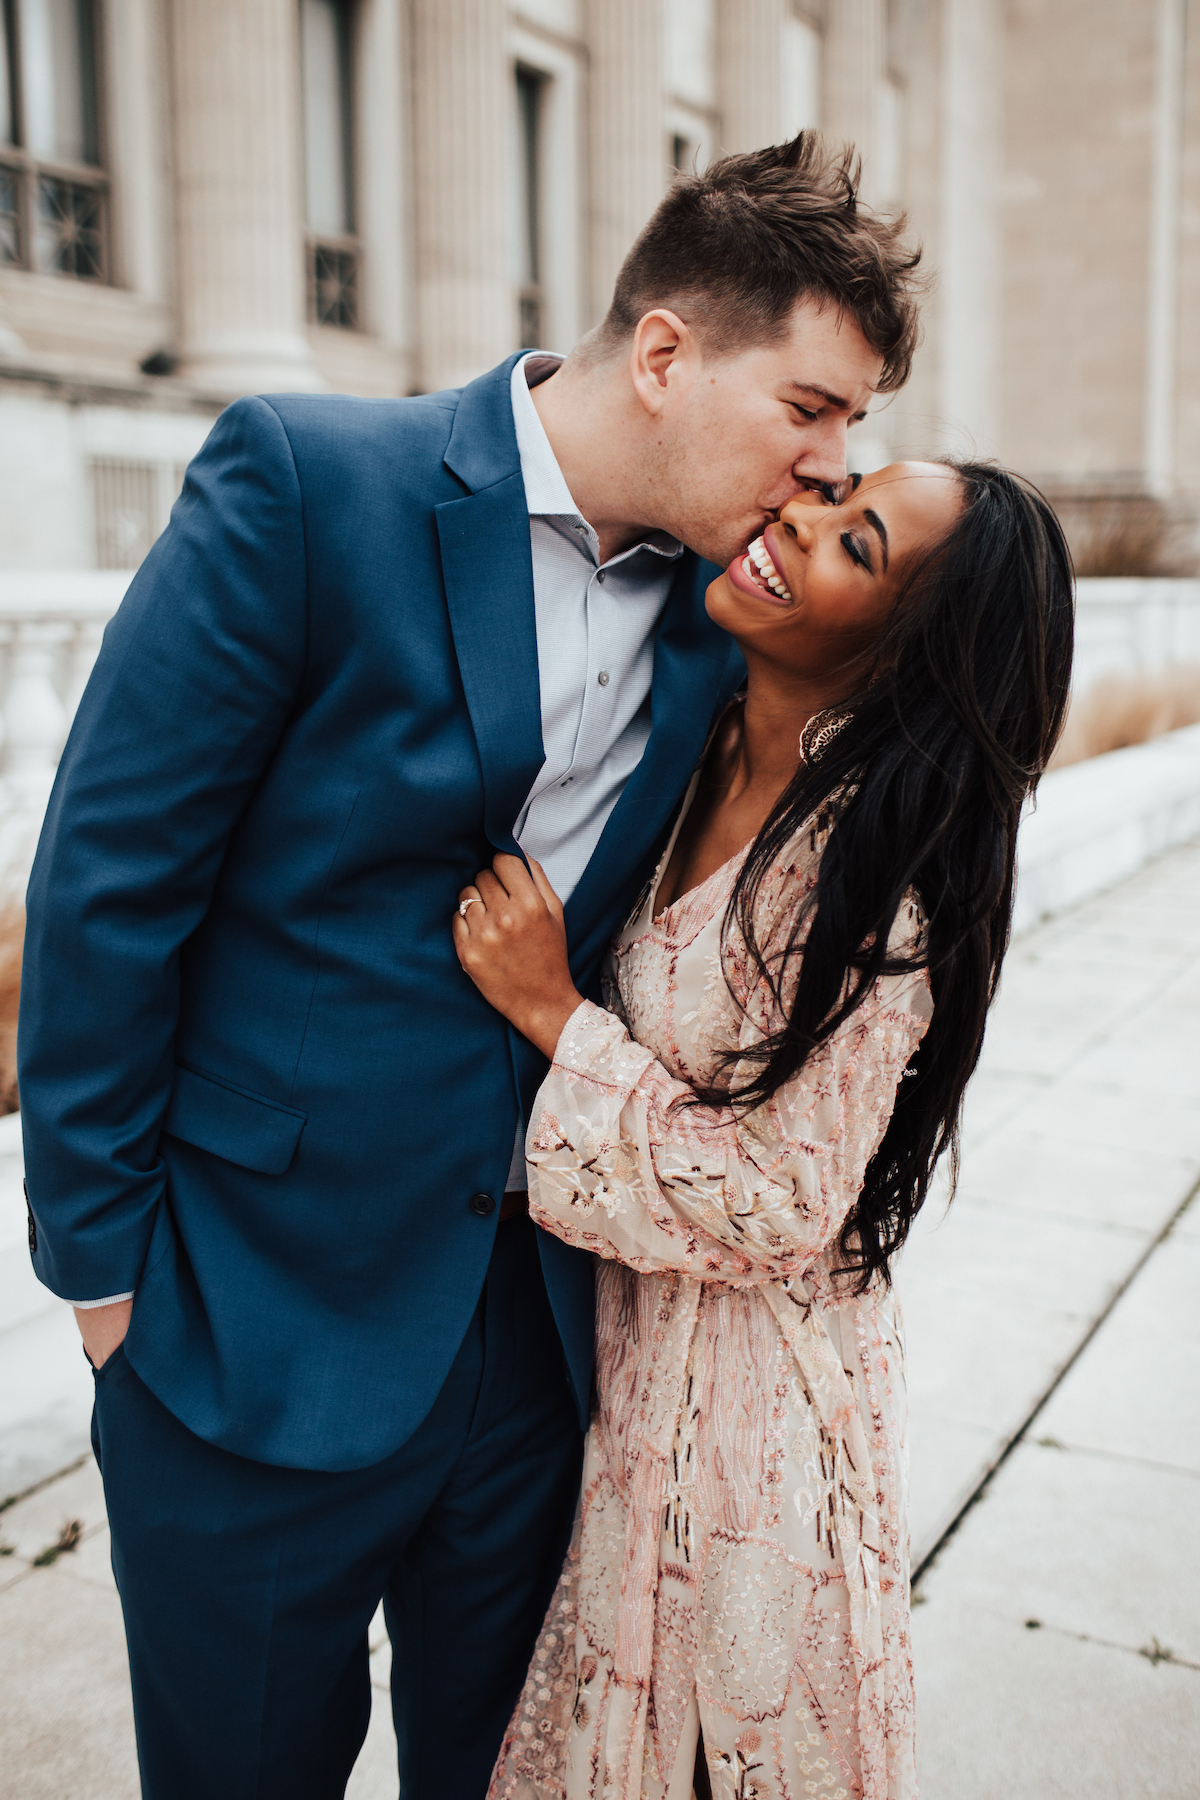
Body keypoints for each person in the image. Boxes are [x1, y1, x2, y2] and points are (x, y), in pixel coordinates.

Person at [17, 136, 920, 1799]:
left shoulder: (722, 617)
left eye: (851, 428)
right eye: (811, 409)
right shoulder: (308, 478)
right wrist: (102, 1282)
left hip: (532, 1346)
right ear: (664, 353)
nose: (827, 465)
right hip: (244, 1320)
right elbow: (111, 875)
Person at [457, 461, 1074, 1800]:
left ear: (905, 641)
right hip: (618, 1371)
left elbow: (780, 1195)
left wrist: (557, 1018)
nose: (792, 522)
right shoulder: (693, 736)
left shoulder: (876, 875)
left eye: (852, 543)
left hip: (758, 1419)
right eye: (834, 490)